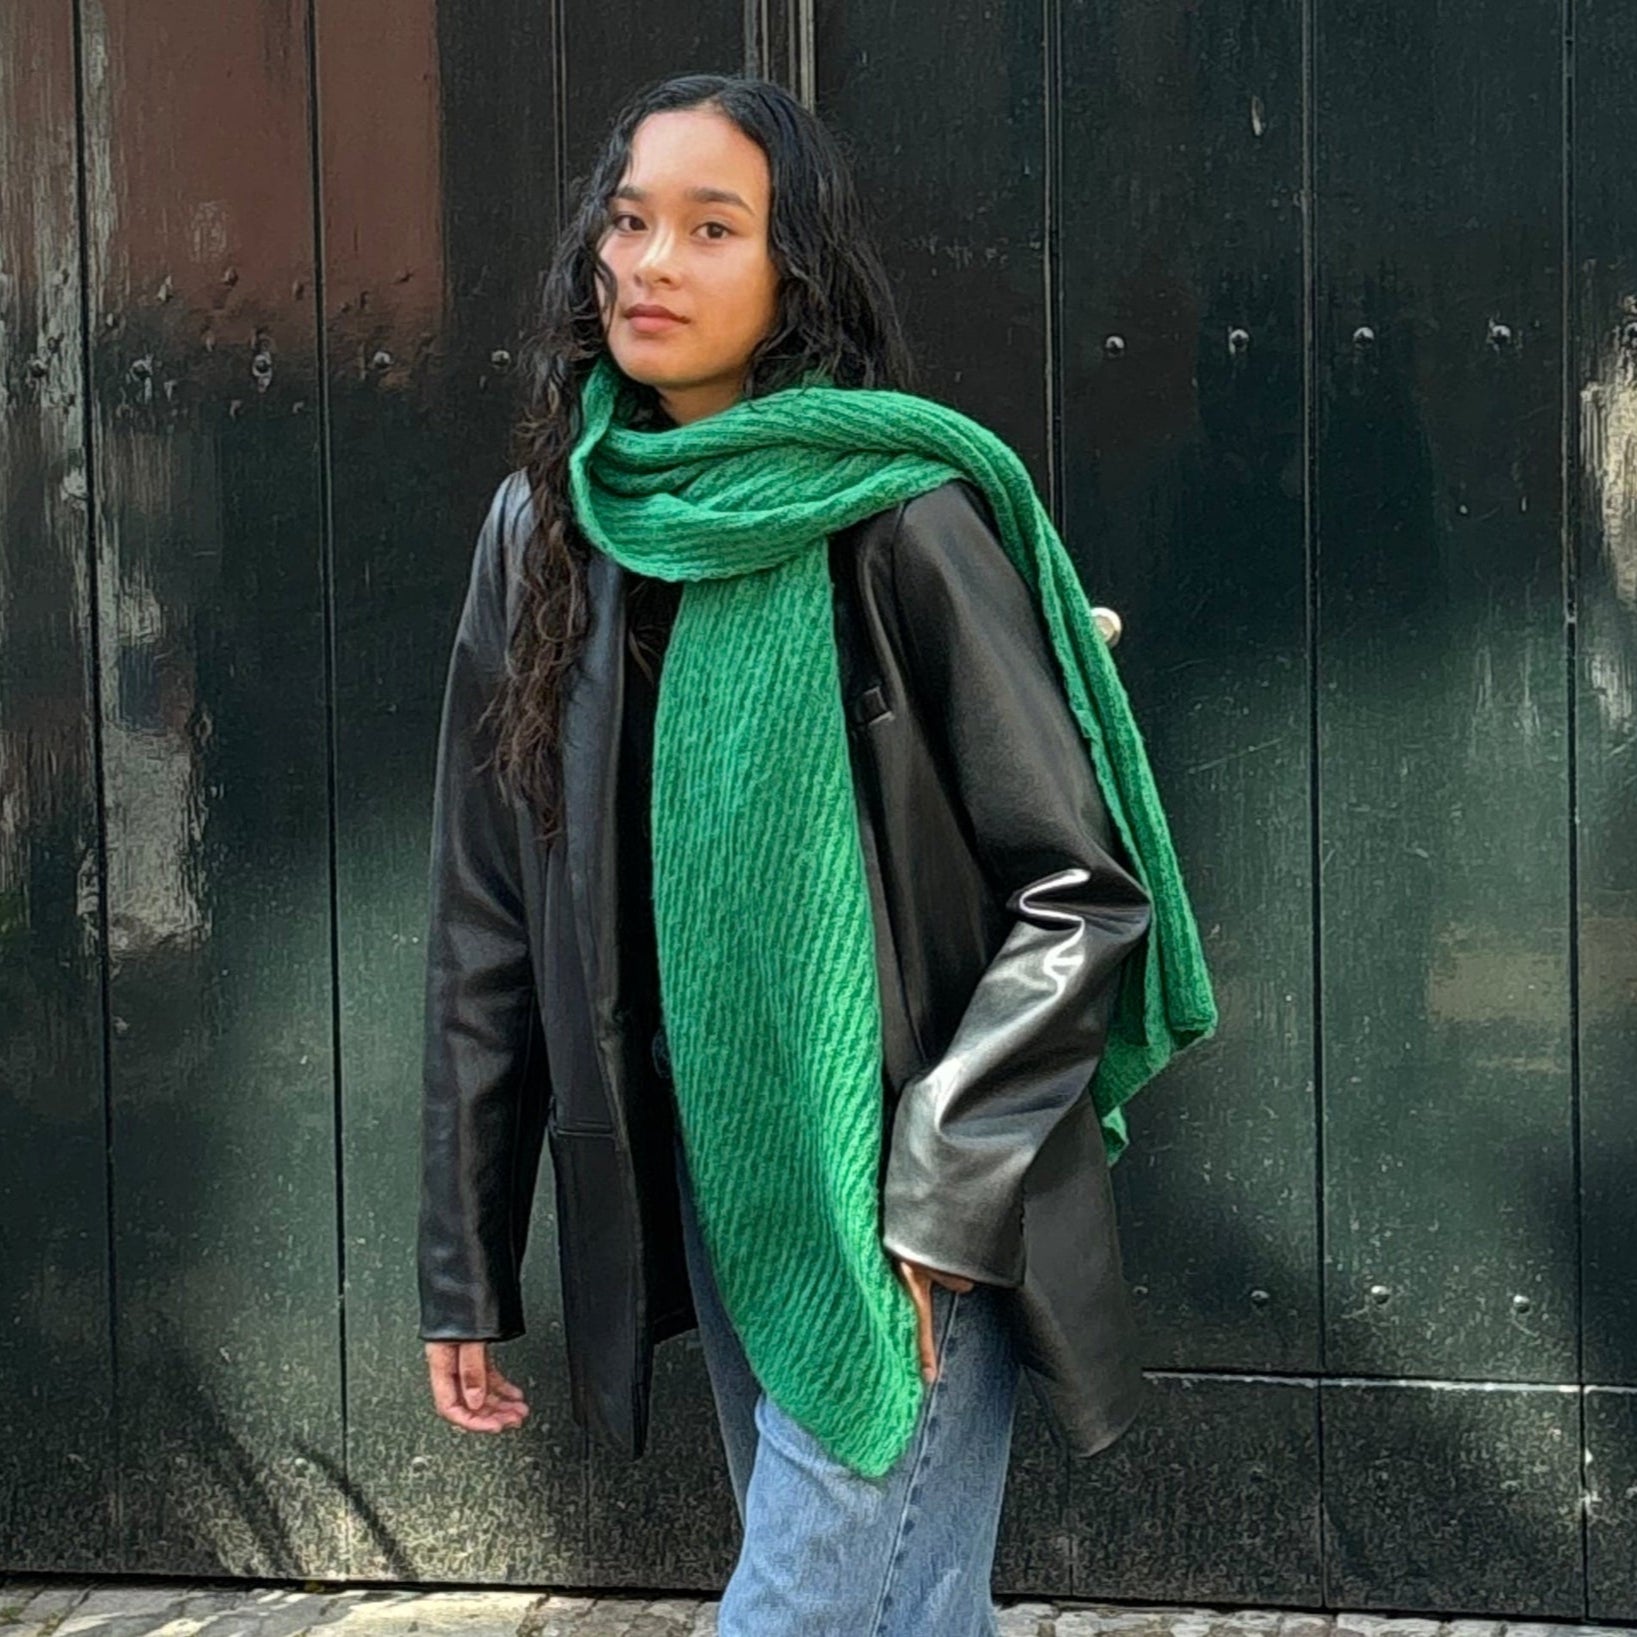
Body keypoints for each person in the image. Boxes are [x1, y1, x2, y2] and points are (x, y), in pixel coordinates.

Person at [417, 71, 1216, 1637]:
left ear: (795, 275)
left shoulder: (900, 520)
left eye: (711, 228)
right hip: (712, 1176)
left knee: (797, 1609)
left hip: (894, 1191)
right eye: (627, 222)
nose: (651, 262)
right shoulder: (544, 532)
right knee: (905, 1612)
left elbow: (1079, 886)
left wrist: (937, 1186)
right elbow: (487, 919)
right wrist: (465, 1260)